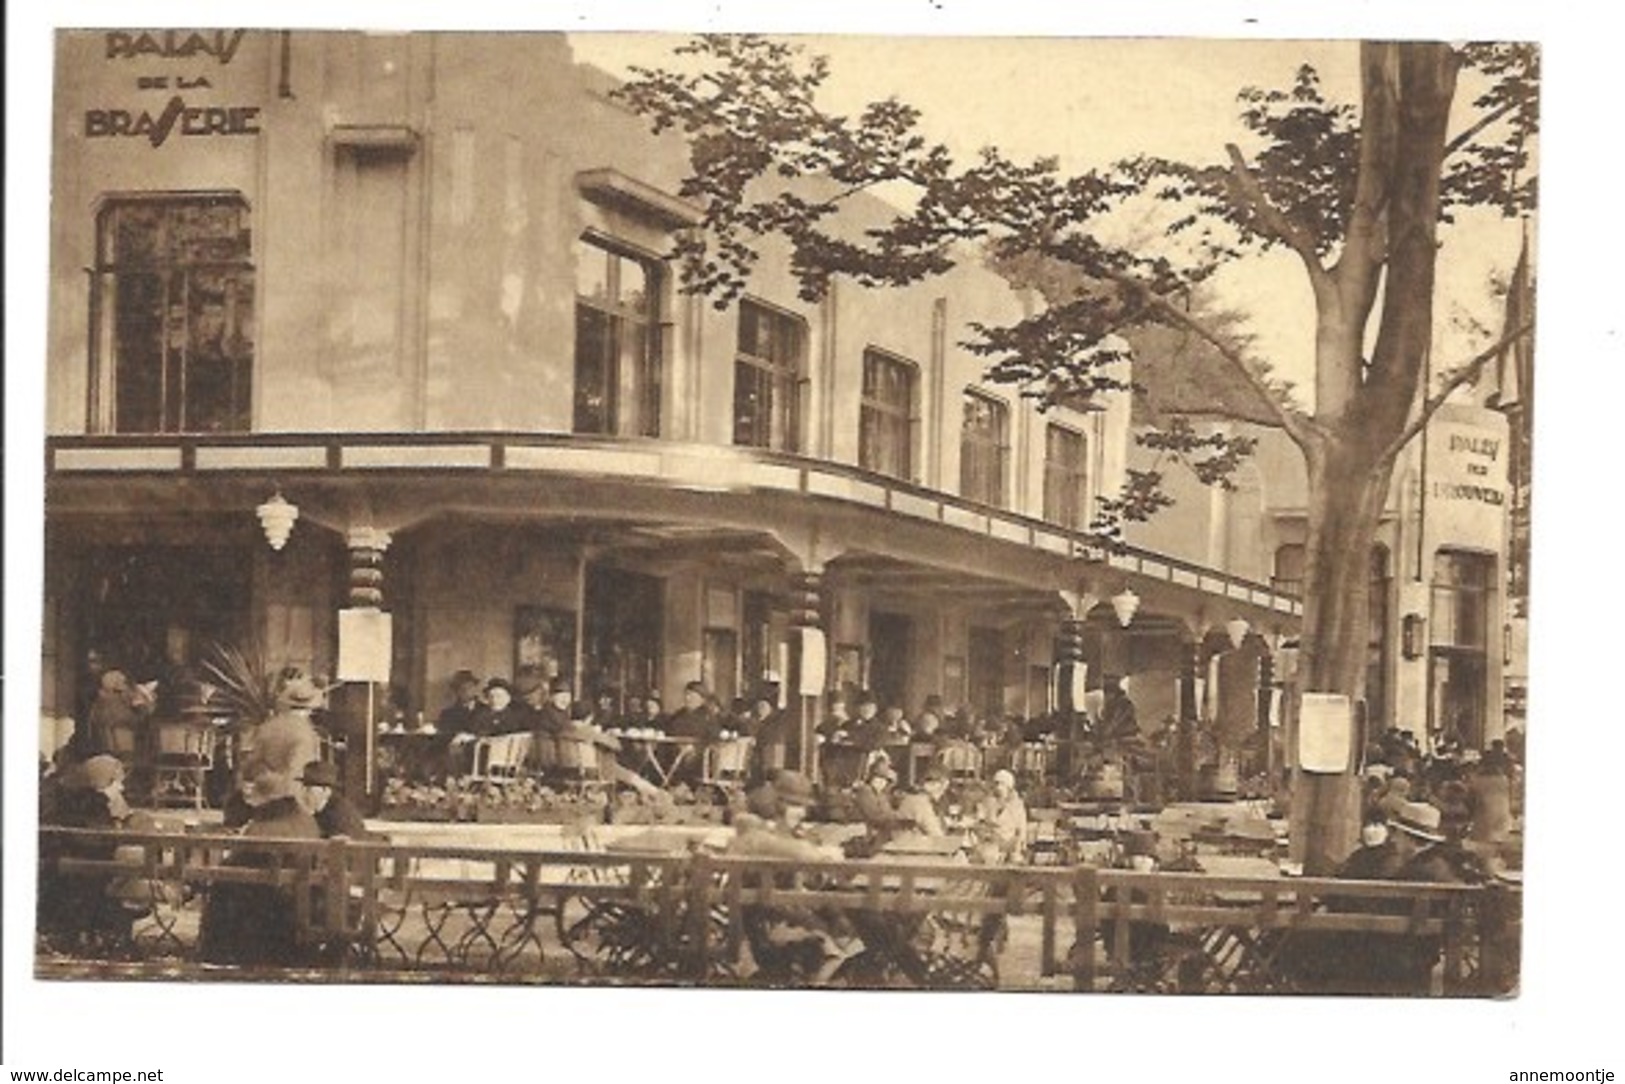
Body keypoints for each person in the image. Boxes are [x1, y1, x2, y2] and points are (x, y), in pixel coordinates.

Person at [198, 719, 324, 967]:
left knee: (225, 886)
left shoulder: (262, 829)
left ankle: (217, 957)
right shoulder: (304, 821)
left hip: (269, 916)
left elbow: (232, 870)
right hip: (301, 901)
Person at [299, 760, 374, 840]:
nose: (304, 794)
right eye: (303, 788)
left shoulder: (340, 814)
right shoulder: (321, 811)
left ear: (326, 791)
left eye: (309, 789)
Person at [975, 769, 1028, 863]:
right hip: (990, 844)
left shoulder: (1017, 805)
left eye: (1002, 784)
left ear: (1009, 787)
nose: (998, 787)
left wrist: (1018, 847)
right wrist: (986, 834)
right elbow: (979, 823)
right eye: (996, 783)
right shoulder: (987, 802)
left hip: (1010, 845)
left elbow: (1021, 830)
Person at [896, 764, 951, 837]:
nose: (942, 793)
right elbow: (936, 834)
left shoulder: (913, 796)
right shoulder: (920, 801)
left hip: (906, 843)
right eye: (942, 789)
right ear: (933, 784)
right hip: (911, 846)